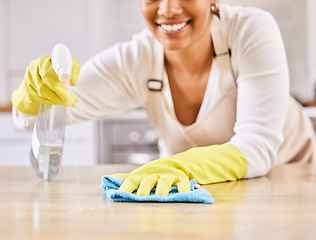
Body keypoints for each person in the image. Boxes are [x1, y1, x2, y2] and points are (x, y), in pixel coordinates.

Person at [12, 0, 315, 196]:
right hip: (208, 193)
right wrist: (33, 93)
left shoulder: (250, 30)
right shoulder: (135, 58)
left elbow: (257, 149)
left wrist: (181, 166)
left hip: (293, 182)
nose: (168, 9)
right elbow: (35, 117)